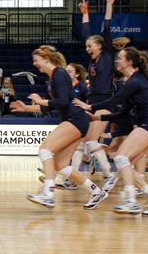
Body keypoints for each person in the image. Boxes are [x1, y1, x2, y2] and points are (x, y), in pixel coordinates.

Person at [73, 47, 148, 216]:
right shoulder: (132, 81)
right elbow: (123, 112)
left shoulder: (136, 80)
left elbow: (115, 99)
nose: (117, 61)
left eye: (120, 58)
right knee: (125, 164)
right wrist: (98, 118)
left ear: (129, 62)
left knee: (120, 157)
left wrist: (90, 106)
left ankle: (131, 202)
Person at [10, 45, 107, 209]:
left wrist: (40, 101)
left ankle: (48, 194)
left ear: (46, 59)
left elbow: (62, 101)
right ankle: (96, 191)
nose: (35, 64)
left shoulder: (59, 74)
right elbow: (50, 106)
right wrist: (27, 108)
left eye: (36, 60)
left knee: (45, 150)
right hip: (76, 120)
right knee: (61, 165)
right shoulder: (54, 77)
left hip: (75, 119)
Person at [78, 0, 118, 192]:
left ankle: (110, 175)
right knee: (83, 139)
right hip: (92, 101)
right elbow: (86, 33)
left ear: (101, 46)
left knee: (92, 140)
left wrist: (109, 4)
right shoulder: (92, 60)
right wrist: (85, 12)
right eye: (86, 46)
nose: (87, 48)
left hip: (106, 101)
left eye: (90, 46)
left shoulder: (108, 55)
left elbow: (107, 28)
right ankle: (74, 174)